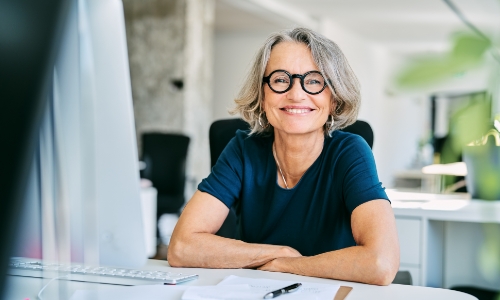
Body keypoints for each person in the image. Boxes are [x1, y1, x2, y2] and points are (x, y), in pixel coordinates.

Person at [168, 27, 399, 286]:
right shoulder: (243, 149)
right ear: (263, 95)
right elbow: (181, 247)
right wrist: (277, 253)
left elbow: (381, 263)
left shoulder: (350, 152)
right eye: (280, 80)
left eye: (313, 80)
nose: (296, 94)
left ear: (333, 98)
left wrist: (290, 266)